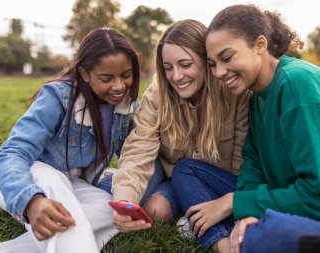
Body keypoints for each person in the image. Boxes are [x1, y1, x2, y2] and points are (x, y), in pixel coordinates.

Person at [0, 27, 140, 253]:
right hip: (25, 175)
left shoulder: (128, 108)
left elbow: (136, 157)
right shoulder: (59, 96)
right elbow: (11, 154)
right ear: (85, 74)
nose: (119, 86)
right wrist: (31, 200)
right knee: (57, 191)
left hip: (73, 183)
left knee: (111, 210)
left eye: (126, 75)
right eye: (106, 78)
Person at [201, 4, 320, 253]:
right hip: (291, 200)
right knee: (187, 171)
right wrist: (245, 213)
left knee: (266, 236)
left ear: (260, 45)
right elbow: (252, 164)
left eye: (226, 58)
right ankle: (240, 234)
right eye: (212, 64)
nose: (219, 72)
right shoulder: (257, 94)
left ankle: (236, 240)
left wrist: (234, 203)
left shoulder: (296, 84)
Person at [105, 19, 250, 252]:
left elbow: (240, 163)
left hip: (204, 180)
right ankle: (106, 184)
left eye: (185, 64)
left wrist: (233, 206)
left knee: (157, 210)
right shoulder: (158, 94)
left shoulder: (233, 95)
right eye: (168, 67)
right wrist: (125, 200)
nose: (176, 76)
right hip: (166, 168)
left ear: (205, 61)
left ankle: (187, 212)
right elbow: (139, 148)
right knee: (139, 201)